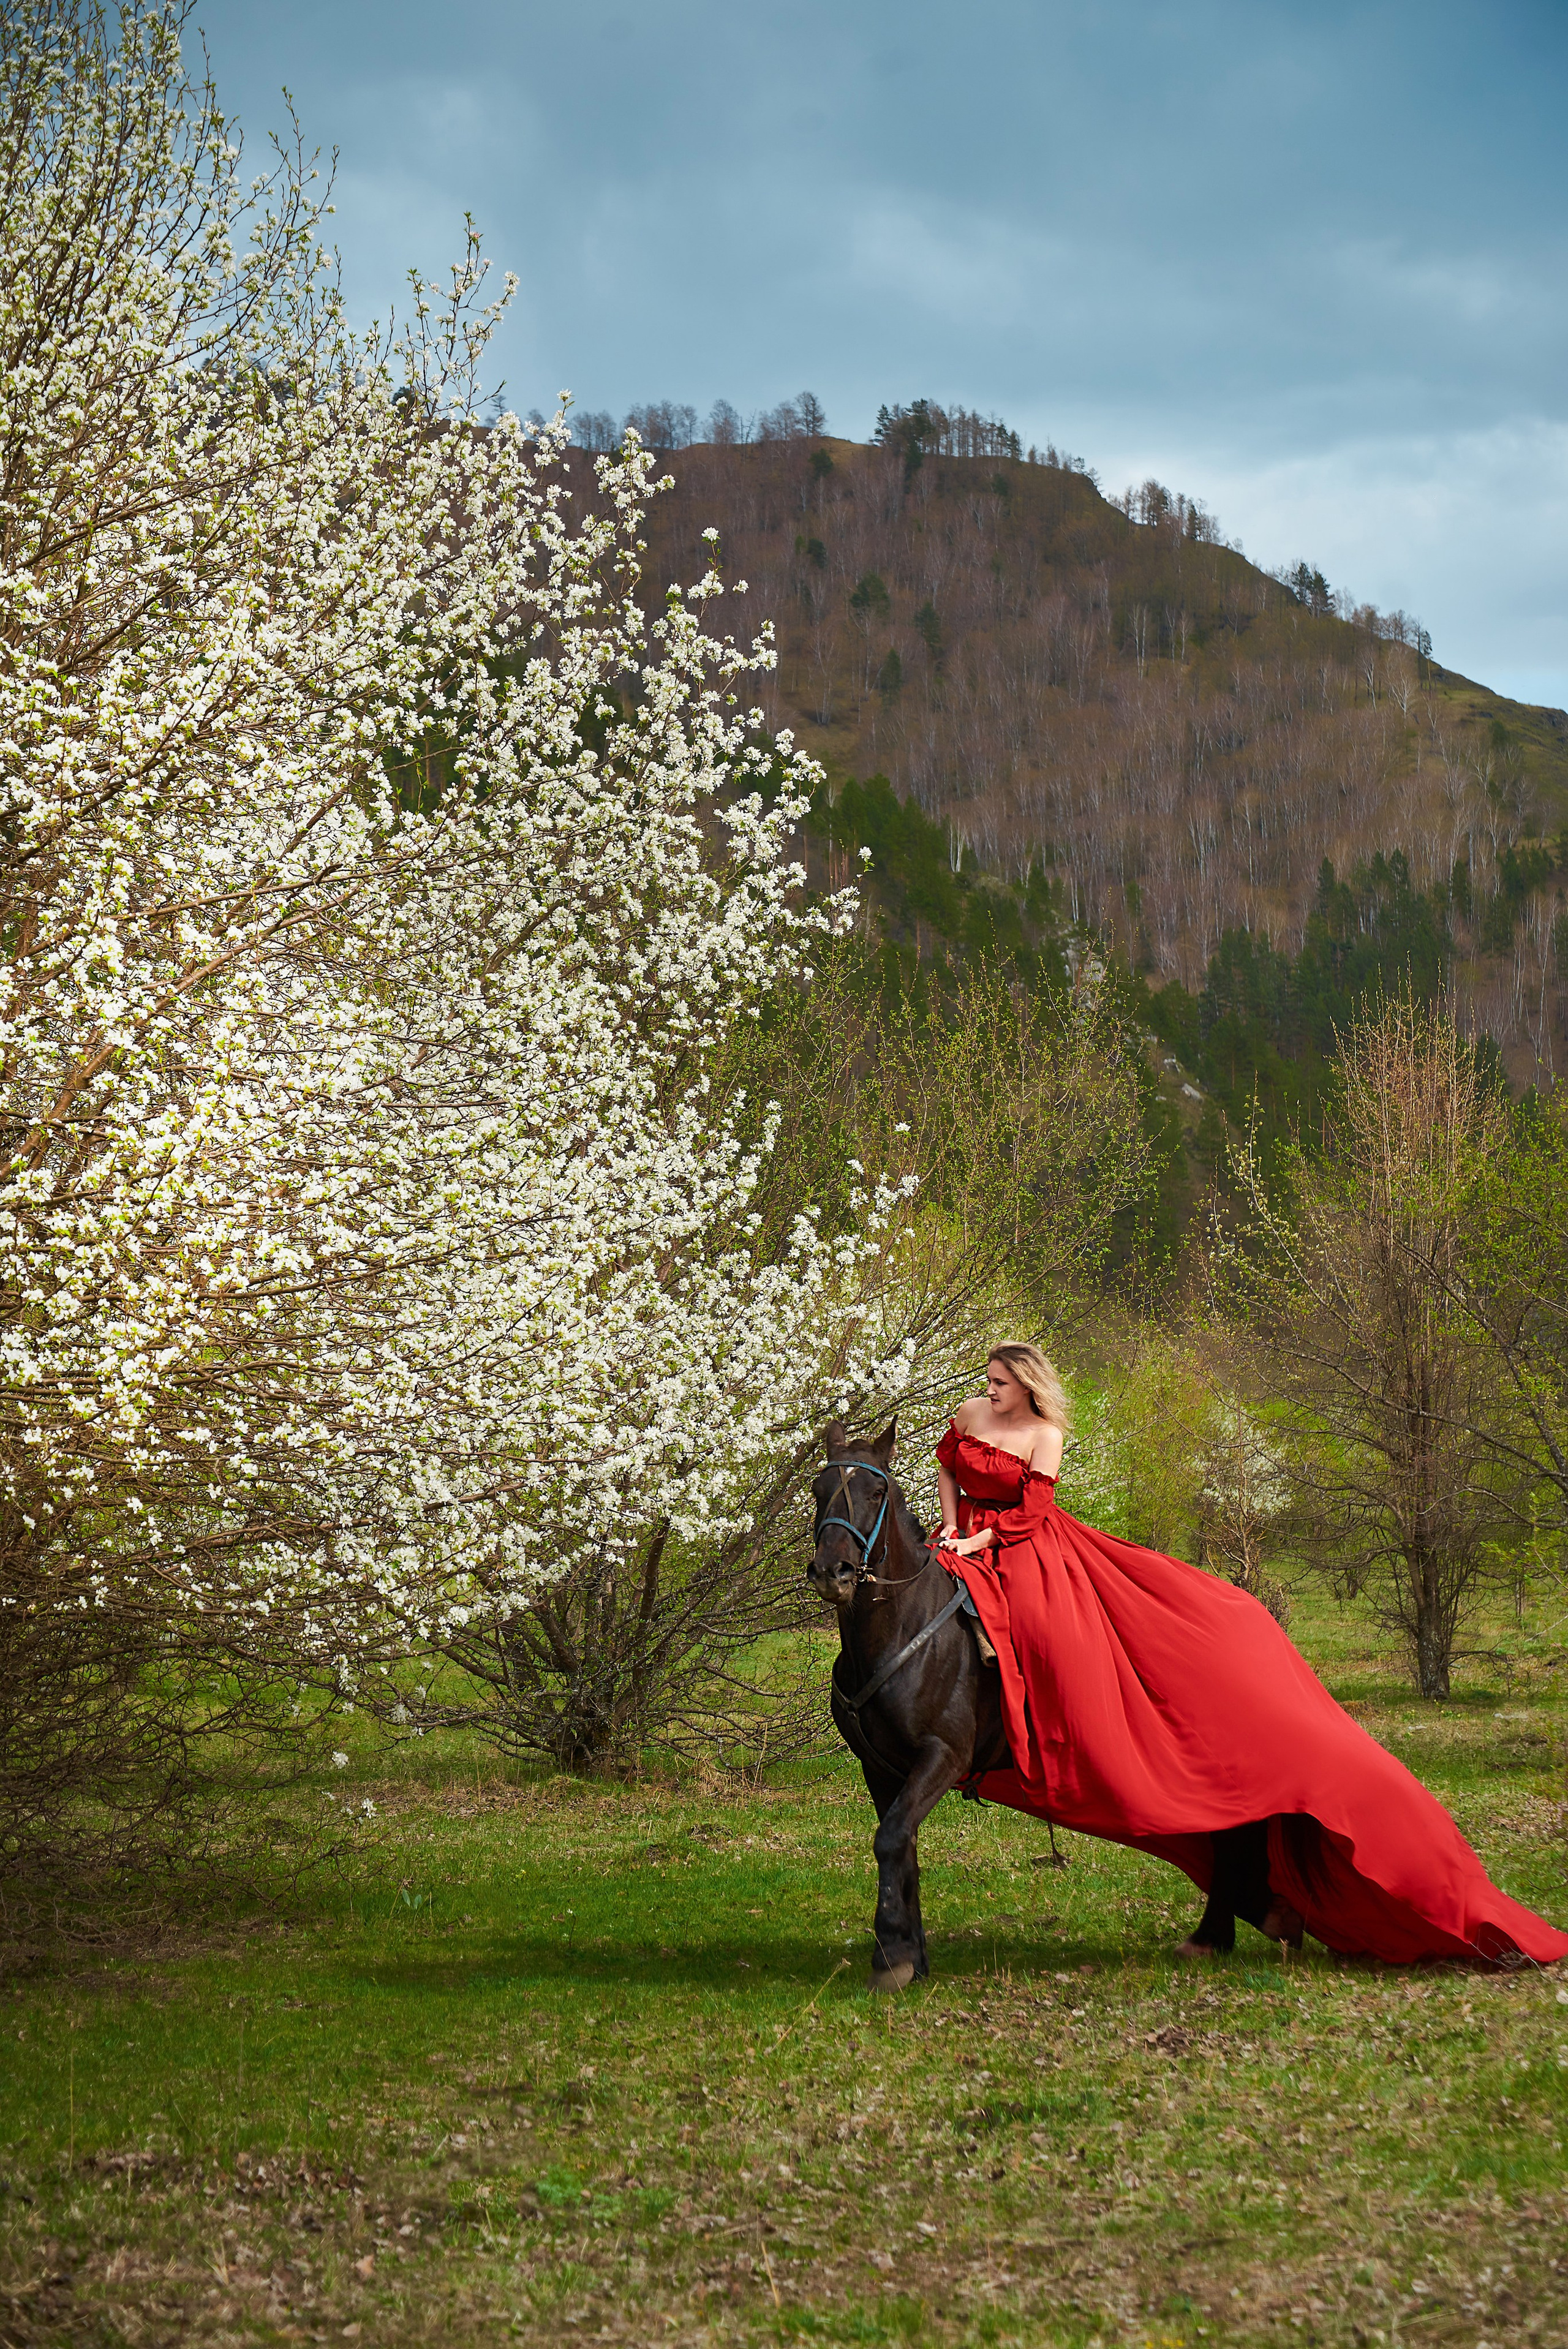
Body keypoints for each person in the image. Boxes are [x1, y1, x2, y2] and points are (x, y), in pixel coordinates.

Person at [934, 1343, 1568, 1968]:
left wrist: (983, 1538)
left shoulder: (1045, 1434)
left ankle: (1055, 1733)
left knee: (1057, 1644)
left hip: (1026, 1546)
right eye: (987, 1381)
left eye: (1000, 1382)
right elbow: (945, 1465)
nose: (989, 1390)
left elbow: (1036, 1512)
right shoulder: (968, 1413)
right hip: (964, 1538)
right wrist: (952, 1528)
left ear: (1026, 1384)